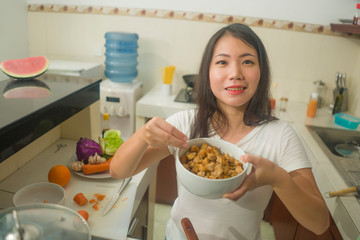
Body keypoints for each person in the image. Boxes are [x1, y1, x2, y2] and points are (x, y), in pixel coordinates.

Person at [110, 23, 330, 240]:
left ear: (261, 71)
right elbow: (118, 171)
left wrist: (278, 178)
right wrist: (142, 135)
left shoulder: (281, 136)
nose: (235, 73)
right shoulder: (186, 124)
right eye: (222, 62)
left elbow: (319, 223)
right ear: (208, 72)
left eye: (247, 61)